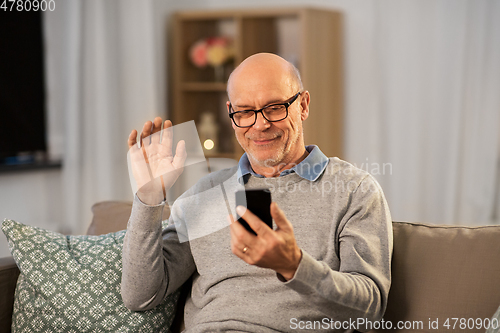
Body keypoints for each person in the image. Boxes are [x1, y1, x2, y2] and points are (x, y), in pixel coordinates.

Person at [121, 53, 393, 332]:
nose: (260, 124)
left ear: (303, 105)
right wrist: (149, 197)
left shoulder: (355, 190)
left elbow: (369, 311)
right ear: (231, 113)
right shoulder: (204, 194)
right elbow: (141, 296)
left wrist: (294, 266)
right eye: (245, 112)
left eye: (275, 107)